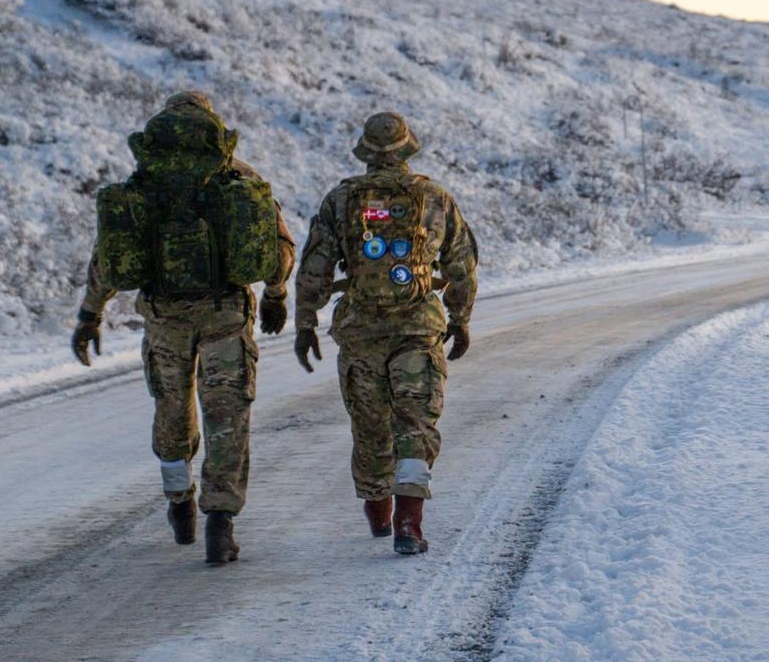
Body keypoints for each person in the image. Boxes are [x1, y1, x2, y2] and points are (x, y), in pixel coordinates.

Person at [70, 91, 295, 565]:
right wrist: (276, 295)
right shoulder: (238, 178)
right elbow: (276, 245)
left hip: (164, 318)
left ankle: (179, 502)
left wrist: (91, 314)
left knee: (171, 411)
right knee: (227, 415)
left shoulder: (144, 182)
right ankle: (221, 524)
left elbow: (107, 260)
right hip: (225, 314)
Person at [294, 112, 478, 554]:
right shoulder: (435, 199)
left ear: (366, 152)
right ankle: (409, 523)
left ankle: (378, 509)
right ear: (407, 149)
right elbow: (461, 265)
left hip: (360, 331)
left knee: (370, 424)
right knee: (416, 422)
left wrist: (305, 322)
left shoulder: (341, 201)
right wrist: (460, 317)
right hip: (417, 328)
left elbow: (315, 267)